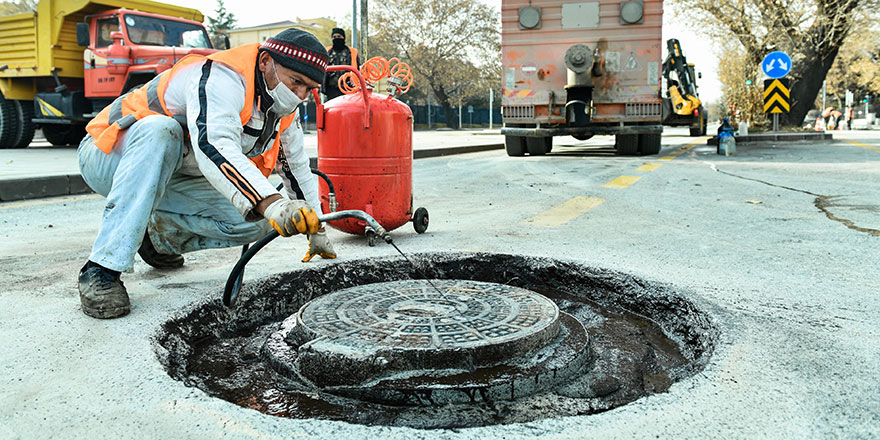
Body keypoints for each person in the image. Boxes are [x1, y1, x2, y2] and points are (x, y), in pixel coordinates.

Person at [77, 28, 337, 319]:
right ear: (265, 62)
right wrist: (272, 203)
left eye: (309, 88)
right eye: (296, 81)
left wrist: (317, 229)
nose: (300, 94)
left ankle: (154, 237)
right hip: (108, 153)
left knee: (259, 223)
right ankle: (101, 268)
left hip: (175, 174)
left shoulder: (281, 109)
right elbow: (214, 144)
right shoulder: (222, 76)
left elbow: (297, 167)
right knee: (162, 131)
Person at [323, 28, 361, 101]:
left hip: (348, 88)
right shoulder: (327, 51)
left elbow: (357, 69)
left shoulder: (352, 52)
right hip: (331, 89)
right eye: (334, 37)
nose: (337, 39)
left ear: (343, 37)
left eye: (339, 37)